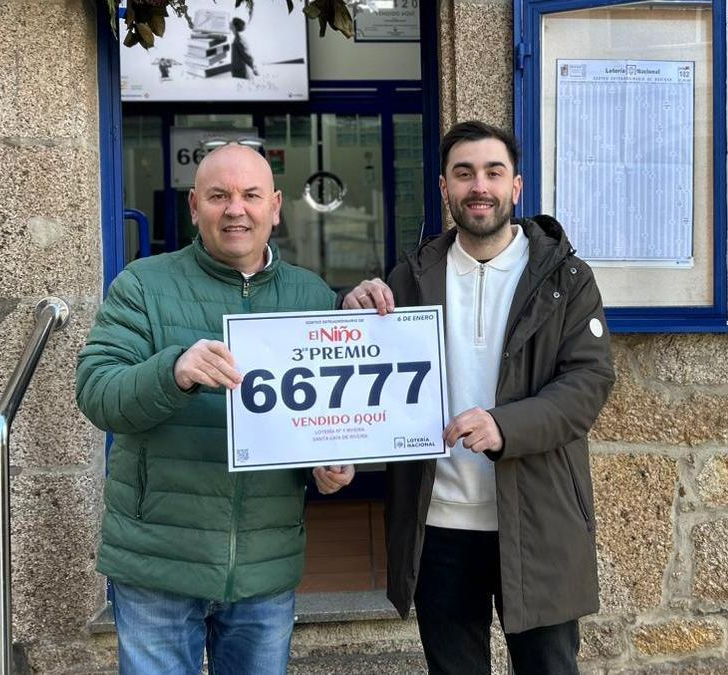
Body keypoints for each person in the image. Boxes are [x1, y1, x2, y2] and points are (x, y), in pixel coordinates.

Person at [343, 120, 615, 674]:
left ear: (516, 186)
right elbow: (370, 373)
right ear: (444, 188)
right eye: (463, 174)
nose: (479, 187)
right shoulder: (410, 277)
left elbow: (587, 384)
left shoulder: (567, 278)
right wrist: (354, 312)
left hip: (536, 520)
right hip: (438, 525)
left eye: (493, 172)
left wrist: (505, 427)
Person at [76, 143, 354, 674]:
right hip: (159, 562)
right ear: (194, 206)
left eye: (250, 195)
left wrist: (326, 460)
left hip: (262, 568)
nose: (235, 209)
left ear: (275, 206)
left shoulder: (310, 295)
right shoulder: (143, 285)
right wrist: (173, 370)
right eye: (219, 196)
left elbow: (314, 420)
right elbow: (97, 391)